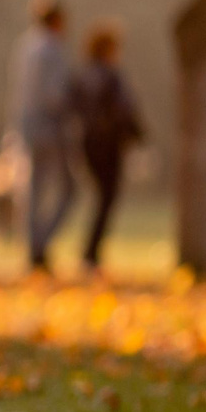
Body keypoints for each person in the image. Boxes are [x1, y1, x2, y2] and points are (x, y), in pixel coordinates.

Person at [7, 0, 76, 271]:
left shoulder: (25, 47)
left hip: (26, 127)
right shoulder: (52, 50)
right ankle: (40, 243)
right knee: (69, 189)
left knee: (34, 190)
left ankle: (33, 247)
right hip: (50, 128)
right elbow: (54, 94)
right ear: (57, 19)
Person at [72, 21, 143, 272]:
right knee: (107, 198)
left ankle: (90, 252)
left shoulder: (82, 76)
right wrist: (138, 135)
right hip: (109, 145)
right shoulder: (112, 77)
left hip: (88, 143)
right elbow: (125, 111)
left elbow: (74, 108)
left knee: (102, 197)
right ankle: (91, 253)